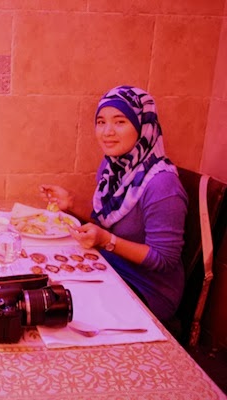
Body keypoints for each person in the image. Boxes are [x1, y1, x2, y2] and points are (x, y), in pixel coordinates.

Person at [39, 85, 187, 322]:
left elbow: (163, 259)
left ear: (142, 126)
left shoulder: (162, 184)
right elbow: (107, 226)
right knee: (41, 289)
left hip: (147, 288)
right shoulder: (112, 168)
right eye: (101, 122)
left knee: (64, 313)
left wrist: (107, 241)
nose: (107, 132)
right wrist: (71, 205)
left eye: (120, 122)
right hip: (111, 267)